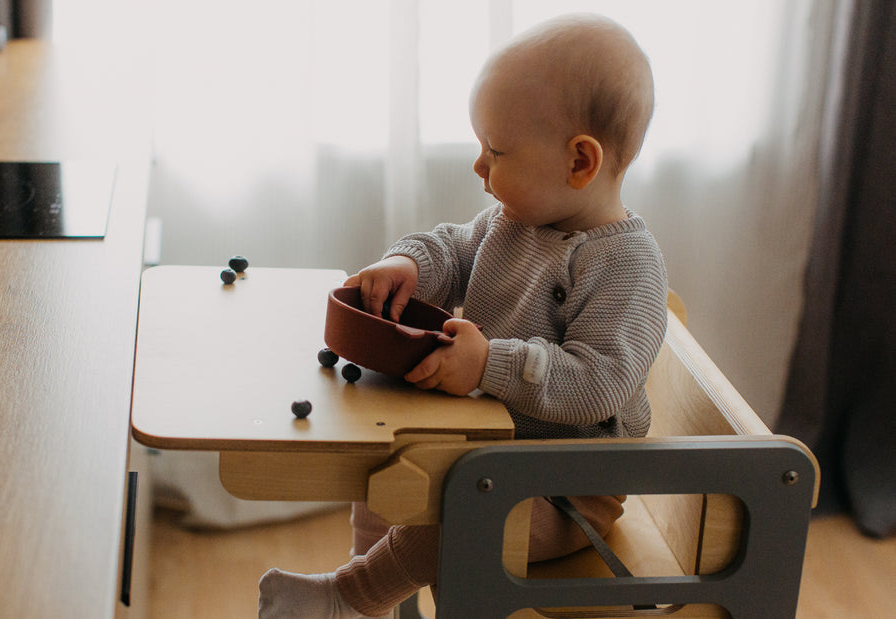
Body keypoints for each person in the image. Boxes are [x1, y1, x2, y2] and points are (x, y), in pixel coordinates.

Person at [258, 13, 668, 619]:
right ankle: (365, 580)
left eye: (495, 151)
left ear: (580, 162)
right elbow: (452, 249)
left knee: (458, 508)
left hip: (559, 497)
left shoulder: (627, 267)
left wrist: (488, 364)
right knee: (392, 469)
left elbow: (598, 384)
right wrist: (407, 265)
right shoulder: (513, 222)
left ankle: (353, 598)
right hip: (486, 454)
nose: (479, 166)